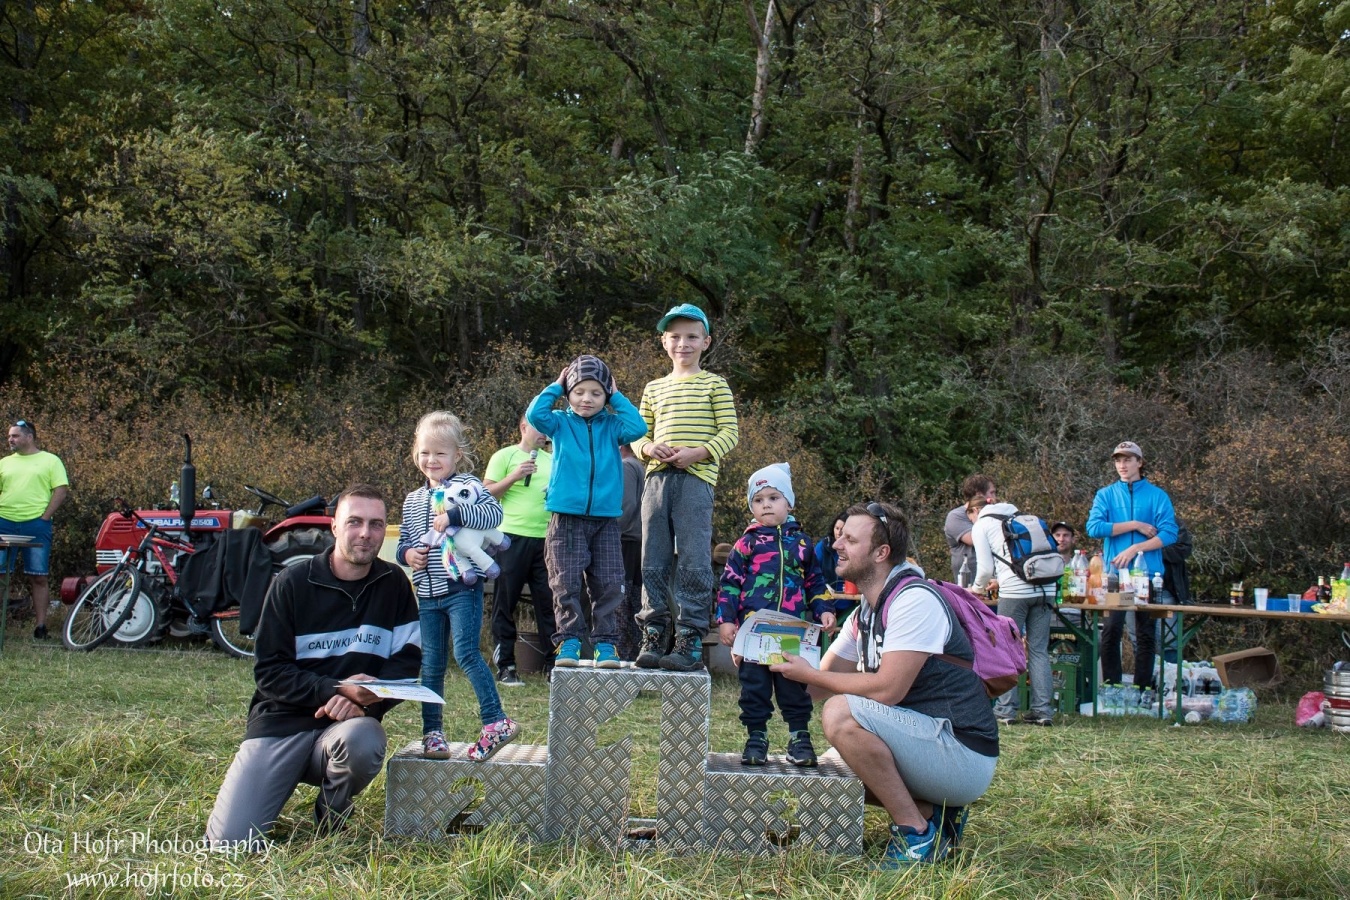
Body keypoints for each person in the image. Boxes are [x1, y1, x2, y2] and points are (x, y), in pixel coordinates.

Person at [770, 502, 998, 868]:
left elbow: (888, 689)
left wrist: (809, 675)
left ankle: (915, 835)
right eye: (839, 537)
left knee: (841, 714)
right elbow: (816, 685)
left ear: (881, 553)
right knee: (824, 774)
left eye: (849, 539)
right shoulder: (865, 612)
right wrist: (763, 663)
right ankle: (934, 815)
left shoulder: (914, 600)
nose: (836, 545)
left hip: (961, 751)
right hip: (923, 742)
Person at [205, 485, 420, 849]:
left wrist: (367, 699)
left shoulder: (394, 584)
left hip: (345, 731)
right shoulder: (292, 583)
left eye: (376, 524)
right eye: (354, 522)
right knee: (230, 845)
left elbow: (407, 663)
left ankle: (332, 812)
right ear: (334, 526)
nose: (365, 533)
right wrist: (335, 689)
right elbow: (270, 672)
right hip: (281, 727)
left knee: (365, 738)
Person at [397, 412, 517, 761]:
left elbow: (494, 516)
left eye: (440, 453)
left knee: (465, 653)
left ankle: (496, 721)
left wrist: (456, 515)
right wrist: (409, 555)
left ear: (457, 455)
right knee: (432, 663)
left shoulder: (469, 487)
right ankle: (433, 733)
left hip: (462, 588)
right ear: (416, 454)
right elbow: (404, 542)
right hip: (427, 593)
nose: (431, 460)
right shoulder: (412, 500)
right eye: (425, 453)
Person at [632, 303, 739, 671]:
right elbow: (638, 434)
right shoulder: (654, 388)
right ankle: (654, 631)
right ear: (664, 342)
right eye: (675, 337)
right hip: (656, 481)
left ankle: (690, 636)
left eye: (692, 336)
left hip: (696, 481)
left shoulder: (715, 384)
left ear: (705, 342)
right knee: (652, 557)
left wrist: (699, 452)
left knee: (693, 558)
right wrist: (648, 448)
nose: (683, 343)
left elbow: (730, 433)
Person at [527, 355, 648, 667]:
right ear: (568, 393)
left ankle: (606, 644)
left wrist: (617, 396)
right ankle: (568, 641)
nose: (587, 399)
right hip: (566, 517)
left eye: (596, 393)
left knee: (609, 583)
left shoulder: (613, 427)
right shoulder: (559, 423)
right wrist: (556, 386)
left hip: (605, 520)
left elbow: (638, 427)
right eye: (579, 391)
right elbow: (535, 414)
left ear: (606, 396)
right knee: (565, 581)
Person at [716, 464, 836, 767]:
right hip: (754, 633)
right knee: (754, 688)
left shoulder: (803, 544)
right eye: (758, 500)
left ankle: (799, 738)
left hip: (791, 632)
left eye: (773, 497)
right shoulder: (746, 544)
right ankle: (756, 738)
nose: (766, 505)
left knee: (793, 687)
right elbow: (729, 584)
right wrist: (726, 620)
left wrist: (824, 610)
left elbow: (815, 583)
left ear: (789, 503)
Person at [1085, 441, 1178, 692]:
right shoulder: (1106, 494)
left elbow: (1170, 533)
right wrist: (1135, 524)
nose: (1122, 465)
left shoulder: (1157, 496)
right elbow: (1094, 528)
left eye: (1127, 459)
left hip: (1148, 577)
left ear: (1140, 462)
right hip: (1115, 577)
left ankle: (1142, 691)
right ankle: (1112, 689)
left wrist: (1136, 548)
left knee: (1146, 633)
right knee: (1111, 630)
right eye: (1118, 460)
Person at [484, 415, 556, 686]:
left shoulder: (553, 459)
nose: (544, 433)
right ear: (524, 427)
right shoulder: (504, 456)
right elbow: (486, 494)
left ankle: (554, 666)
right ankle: (506, 666)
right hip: (510, 539)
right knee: (505, 603)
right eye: (539, 426)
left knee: (549, 604)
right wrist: (514, 476)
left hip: (547, 539)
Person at [972, 501, 1057, 726]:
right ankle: (1043, 711)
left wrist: (976, 589)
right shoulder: (1022, 519)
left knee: (1006, 648)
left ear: (975, 511)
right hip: (1047, 587)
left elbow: (985, 569)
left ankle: (1005, 710)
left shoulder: (982, 524)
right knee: (1038, 649)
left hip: (1015, 592)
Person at [0, 419, 69, 640]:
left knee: (38, 576)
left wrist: (45, 517)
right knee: (0, 573)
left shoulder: (50, 461)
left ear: (29, 437)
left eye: (15, 436)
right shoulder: (4, 463)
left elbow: (60, 490)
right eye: (9, 436)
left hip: (36, 525)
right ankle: (3, 627)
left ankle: (40, 627)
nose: (10, 439)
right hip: (4, 523)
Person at [616, 445, 646, 660]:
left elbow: (625, 506)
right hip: (638, 542)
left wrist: (609, 532)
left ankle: (621, 655)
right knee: (635, 600)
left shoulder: (626, 466)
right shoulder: (639, 466)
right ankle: (634, 654)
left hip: (624, 541)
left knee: (620, 602)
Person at [944, 474, 996, 585]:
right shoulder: (956, 516)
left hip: (995, 582)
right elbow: (976, 539)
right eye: (992, 493)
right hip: (969, 583)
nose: (994, 497)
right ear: (979, 494)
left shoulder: (996, 515)